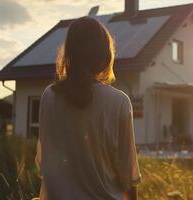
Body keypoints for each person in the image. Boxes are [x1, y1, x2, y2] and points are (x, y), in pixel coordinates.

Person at [35, 16, 141, 200]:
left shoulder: (49, 97)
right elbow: (127, 176)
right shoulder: (119, 102)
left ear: (69, 53)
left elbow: (45, 164)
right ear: (105, 55)